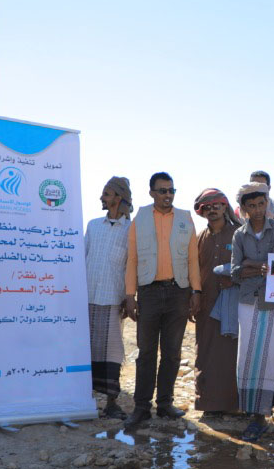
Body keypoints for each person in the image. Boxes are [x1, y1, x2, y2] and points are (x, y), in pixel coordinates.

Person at [122, 172, 202, 428]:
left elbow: (192, 259)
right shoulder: (141, 218)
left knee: (172, 352)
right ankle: (141, 407)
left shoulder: (184, 218)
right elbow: (132, 258)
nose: (167, 195)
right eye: (162, 191)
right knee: (146, 352)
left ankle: (165, 404)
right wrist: (129, 295)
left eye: (171, 190)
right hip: (149, 292)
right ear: (151, 193)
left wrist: (196, 291)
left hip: (178, 292)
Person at [231, 182, 274, 442]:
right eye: (252, 205)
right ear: (244, 208)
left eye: (261, 204)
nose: (258, 210)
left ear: (267, 204)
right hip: (248, 301)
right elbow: (236, 272)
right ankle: (257, 417)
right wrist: (261, 266)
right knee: (250, 357)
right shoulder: (239, 234)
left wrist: (252, 264)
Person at [84, 176, 133, 419]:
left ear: (119, 197)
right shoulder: (93, 225)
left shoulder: (131, 230)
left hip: (113, 299)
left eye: (108, 193)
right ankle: (83, 400)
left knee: (112, 352)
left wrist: (129, 296)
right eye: (104, 193)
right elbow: (82, 258)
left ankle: (111, 402)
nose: (103, 197)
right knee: (85, 350)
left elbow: (131, 266)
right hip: (88, 297)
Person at [192, 188, 241, 417]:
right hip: (205, 302)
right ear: (202, 211)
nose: (212, 210)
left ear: (225, 207)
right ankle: (208, 404)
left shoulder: (239, 234)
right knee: (206, 351)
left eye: (216, 206)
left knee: (231, 352)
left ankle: (233, 404)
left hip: (232, 302)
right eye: (207, 207)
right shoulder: (200, 237)